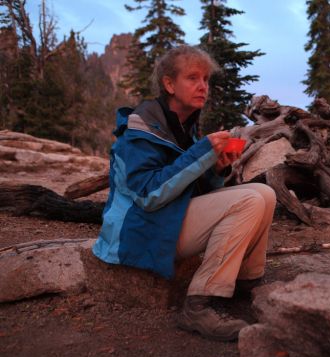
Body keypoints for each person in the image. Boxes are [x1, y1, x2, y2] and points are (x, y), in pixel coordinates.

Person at [92, 45, 276, 342]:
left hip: (165, 220)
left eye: (205, 79)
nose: (203, 86)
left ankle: (246, 283)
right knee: (249, 200)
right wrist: (202, 152)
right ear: (169, 84)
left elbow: (190, 189)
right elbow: (148, 194)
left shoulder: (182, 127)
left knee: (265, 193)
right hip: (134, 232)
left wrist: (216, 169)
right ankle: (200, 304)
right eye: (192, 78)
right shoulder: (140, 129)